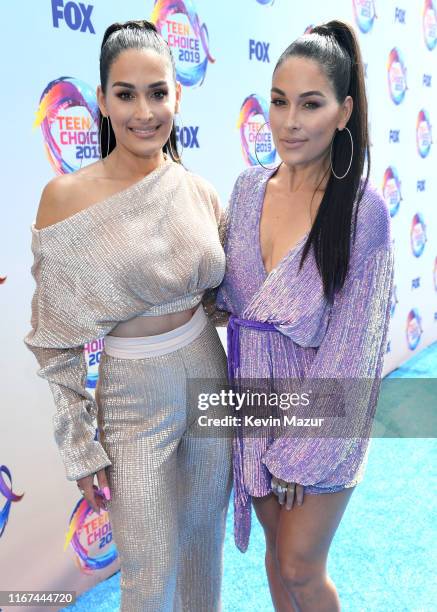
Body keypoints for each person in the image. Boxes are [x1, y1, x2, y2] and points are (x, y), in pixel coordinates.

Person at [24, 20, 232, 612]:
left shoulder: (199, 191)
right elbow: (55, 342)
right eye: (125, 93)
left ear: (178, 95)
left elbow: (226, 300)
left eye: (157, 92)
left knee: (201, 552)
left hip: (205, 376)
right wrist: (80, 445)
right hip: (131, 397)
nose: (144, 111)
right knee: (145, 572)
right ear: (101, 99)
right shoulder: (66, 196)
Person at [215, 20, 394, 611]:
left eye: (310, 104)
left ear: (344, 113)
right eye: (279, 101)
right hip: (253, 403)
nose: (290, 122)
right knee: (275, 554)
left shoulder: (362, 212)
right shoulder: (245, 190)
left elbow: (354, 350)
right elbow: (225, 294)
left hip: (323, 413)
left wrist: (303, 449)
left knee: (300, 566)